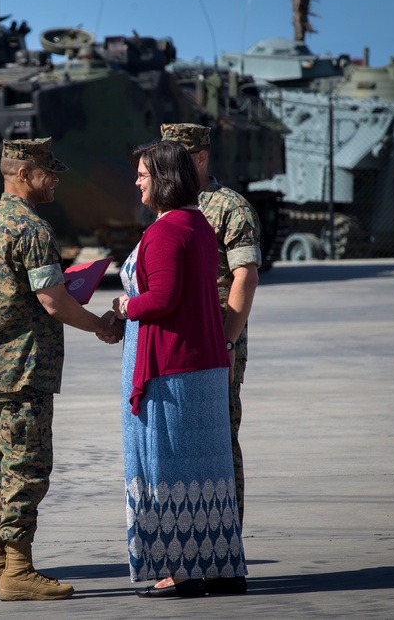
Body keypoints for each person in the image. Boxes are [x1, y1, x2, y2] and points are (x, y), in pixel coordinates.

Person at [0, 137, 119, 602]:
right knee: (27, 468)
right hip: (24, 368)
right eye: (48, 173)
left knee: (0, 465)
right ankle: (18, 571)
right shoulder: (31, 229)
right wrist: (100, 326)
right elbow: (53, 301)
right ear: (24, 174)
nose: (55, 181)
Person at [113, 140, 247, 598]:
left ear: (165, 179)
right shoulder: (199, 225)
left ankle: (182, 570)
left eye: (144, 175)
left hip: (172, 369)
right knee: (210, 469)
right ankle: (222, 567)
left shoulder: (167, 231)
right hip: (204, 361)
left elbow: (162, 300)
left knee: (167, 467)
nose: (137, 182)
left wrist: (125, 304)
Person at [161, 122, 261, 531]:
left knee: (219, 435)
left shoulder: (228, 207)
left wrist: (227, 340)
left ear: (201, 159)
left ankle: (227, 540)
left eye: (179, 160)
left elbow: (246, 276)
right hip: (180, 343)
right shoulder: (169, 203)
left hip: (218, 340)